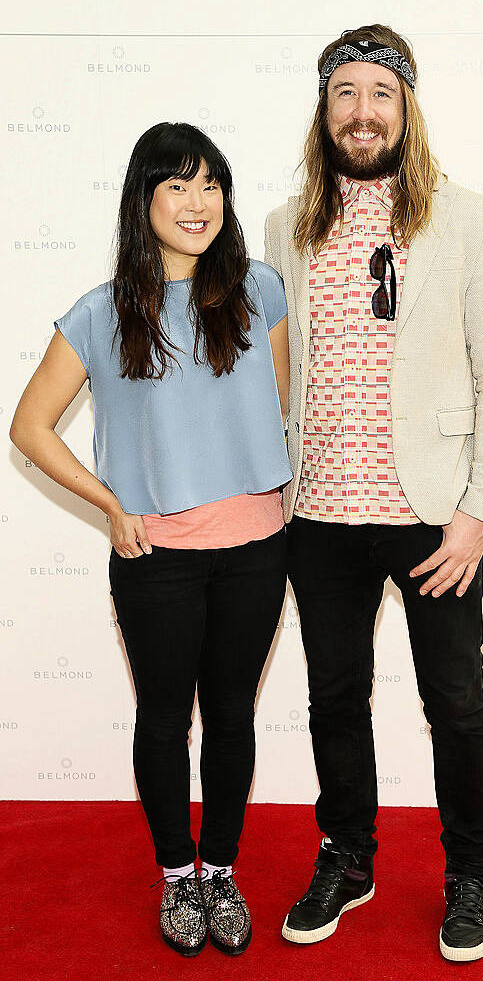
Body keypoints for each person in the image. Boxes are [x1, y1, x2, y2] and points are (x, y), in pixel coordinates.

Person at [264, 25, 483, 962]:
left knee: (454, 701)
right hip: (320, 518)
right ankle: (349, 856)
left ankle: (468, 873)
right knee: (333, 698)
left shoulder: (466, 218)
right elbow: (275, 375)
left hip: (432, 518)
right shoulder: (284, 225)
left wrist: (478, 513)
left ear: (406, 107)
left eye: (381, 93)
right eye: (345, 94)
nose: (362, 111)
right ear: (323, 109)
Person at [10, 121, 292, 958]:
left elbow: (276, 405)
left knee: (233, 716)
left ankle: (222, 872)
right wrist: (109, 501)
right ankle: (177, 875)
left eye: (210, 184)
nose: (196, 202)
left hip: (256, 549)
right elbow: (30, 426)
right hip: (154, 559)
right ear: (143, 199)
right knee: (165, 720)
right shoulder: (101, 313)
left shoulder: (262, 289)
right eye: (176, 185)